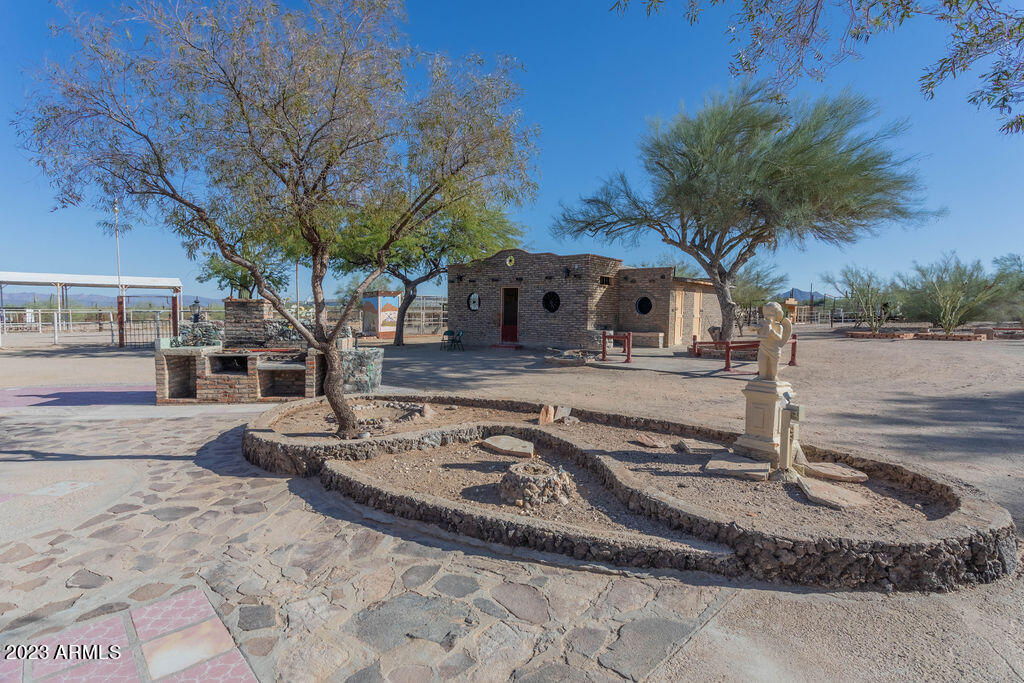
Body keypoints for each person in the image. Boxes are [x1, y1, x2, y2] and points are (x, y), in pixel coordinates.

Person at [756, 302, 793, 380]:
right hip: (763, 347)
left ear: (777, 315)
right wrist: (754, 327)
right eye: (766, 314)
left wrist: (772, 331)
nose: (768, 316)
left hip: (774, 348)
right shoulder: (763, 323)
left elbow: (779, 338)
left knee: (774, 364)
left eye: (770, 314)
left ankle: (773, 376)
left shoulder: (778, 326)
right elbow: (758, 330)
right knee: (762, 361)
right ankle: (762, 376)